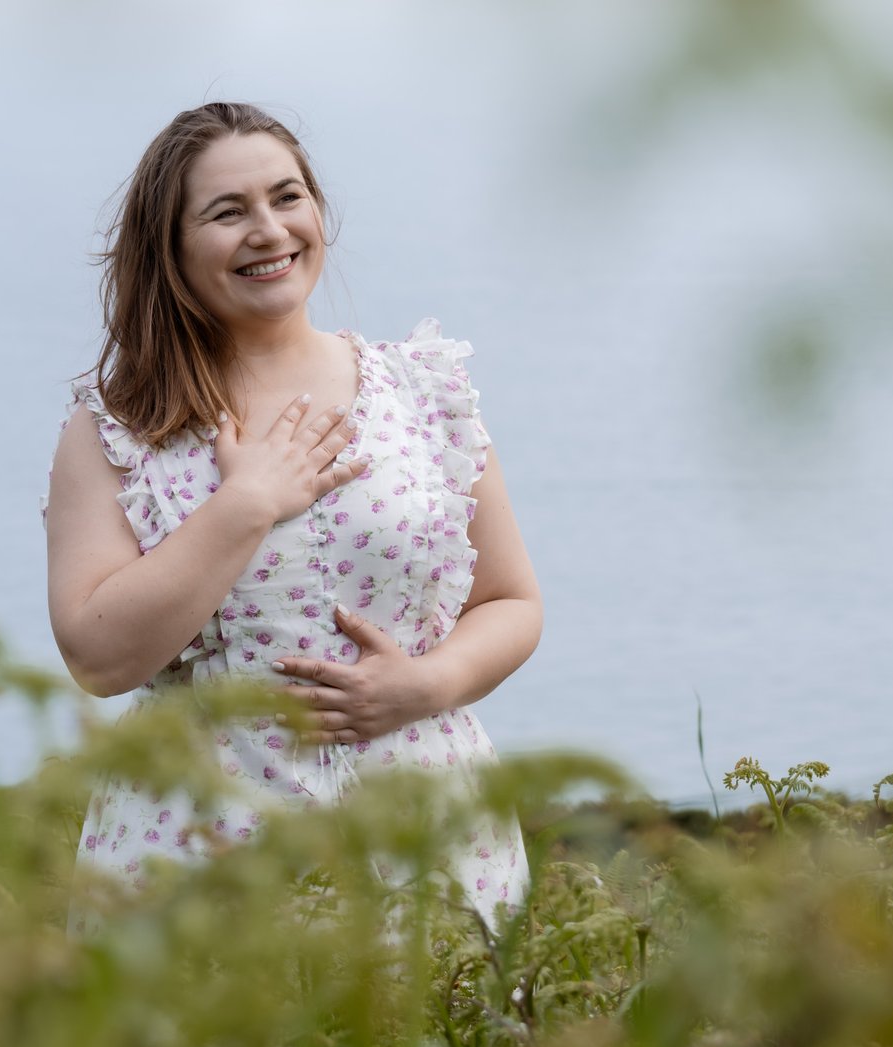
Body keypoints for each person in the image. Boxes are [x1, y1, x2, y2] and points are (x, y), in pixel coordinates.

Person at [43, 101, 541, 927]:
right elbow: (98, 657)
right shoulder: (114, 432)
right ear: (169, 249)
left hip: (431, 847)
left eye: (287, 197)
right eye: (227, 212)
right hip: (197, 865)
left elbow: (512, 601)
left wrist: (428, 683)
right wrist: (245, 505)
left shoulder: (423, 390)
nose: (269, 231)